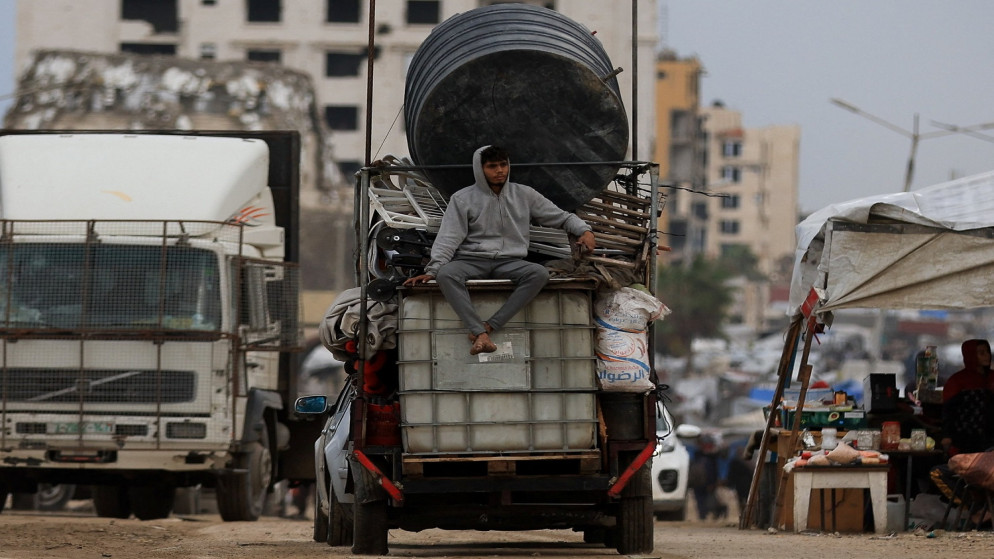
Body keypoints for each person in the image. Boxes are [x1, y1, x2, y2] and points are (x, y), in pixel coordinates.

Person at [403, 145, 595, 355]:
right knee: (447, 274)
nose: (499, 171)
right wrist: (432, 270)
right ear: (480, 169)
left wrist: (584, 231)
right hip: (471, 260)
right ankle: (479, 332)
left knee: (538, 273)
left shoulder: (524, 194)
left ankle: (489, 327)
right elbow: (449, 237)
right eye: (492, 166)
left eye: (503, 165)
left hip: (510, 262)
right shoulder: (463, 198)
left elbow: (562, 217)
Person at [929, 339, 994, 502]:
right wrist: (947, 437)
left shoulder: (992, 378)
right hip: (964, 440)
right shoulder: (957, 381)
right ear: (970, 355)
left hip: (989, 440)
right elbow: (948, 413)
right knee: (961, 477)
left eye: (987, 351)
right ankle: (974, 509)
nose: (987, 356)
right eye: (981, 353)